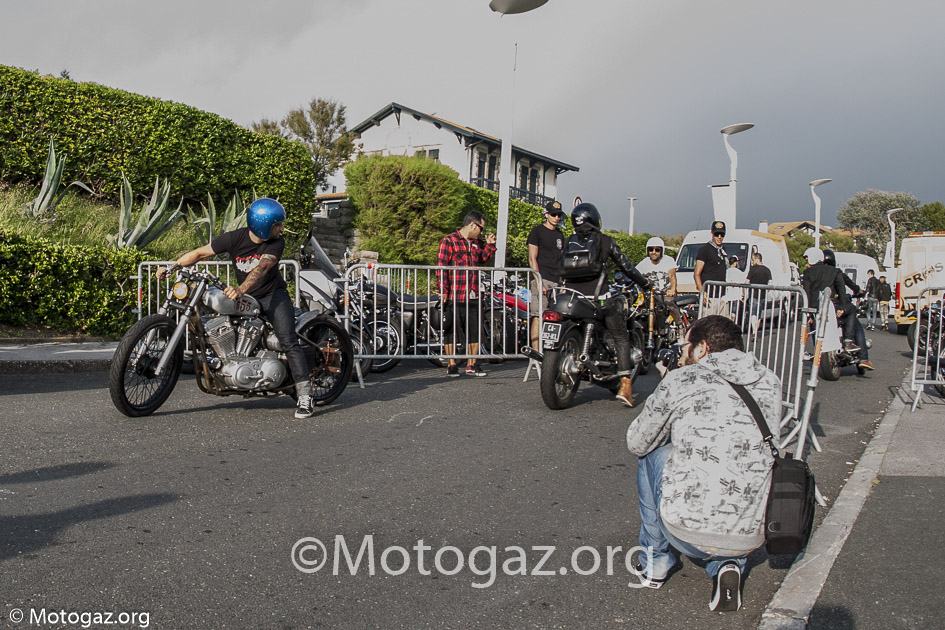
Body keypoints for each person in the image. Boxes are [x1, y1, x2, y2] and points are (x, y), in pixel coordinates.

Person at [626, 315, 781, 612]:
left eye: (686, 346)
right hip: (753, 534)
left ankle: (656, 562)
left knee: (651, 456)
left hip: (686, 532)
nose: (682, 353)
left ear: (702, 348)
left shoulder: (682, 379)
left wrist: (667, 385)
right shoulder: (769, 381)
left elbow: (637, 441)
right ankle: (728, 564)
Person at [157, 198, 315, 419]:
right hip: (247, 297)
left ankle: (305, 396)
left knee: (288, 340)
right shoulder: (234, 238)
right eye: (277, 224)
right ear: (263, 224)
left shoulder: (276, 243)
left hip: (273, 296)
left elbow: (262, 268)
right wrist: (172, 266)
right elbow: (200, 253)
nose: (281, 228)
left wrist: (240, 289)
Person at [561, 202, 650, 407]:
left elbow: (560, 268)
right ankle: (625, 385)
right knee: (620, 335)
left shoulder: (568, 241)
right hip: (598, 298)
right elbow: (626, 266)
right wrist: (645, 283)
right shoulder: (604, 241)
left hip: (573, 299)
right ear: (595, 220)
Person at [436, 210, 497, 377]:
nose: (481, 232)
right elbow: (441, 267)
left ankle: (472, 364)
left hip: (473, 293)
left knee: (475, 330)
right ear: (472, 225)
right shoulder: (449, 240)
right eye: (481, 228)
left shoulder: (475, 243)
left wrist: (490, 246)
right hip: (455, 294)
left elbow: (482, 259)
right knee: (452, 330)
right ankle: (452, 364)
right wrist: (443, 290)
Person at [824, 249, 874, 370]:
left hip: (824, 308)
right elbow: (851, 285)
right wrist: (859, 291)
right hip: (839, 306)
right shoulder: (837, 272)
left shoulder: (817, 273)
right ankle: (863, 358)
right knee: (857, 327)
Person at [527, 200, 566, 351]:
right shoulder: (537, 231)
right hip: (542, 278)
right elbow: (532, 258)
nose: (557, 218)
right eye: (554, 215)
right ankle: (536, 353)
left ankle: (551, 353)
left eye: (559, 215)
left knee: (556, 318)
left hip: (557, 281)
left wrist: (564, 283)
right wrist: (539, 282)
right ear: (547, 214)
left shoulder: (560, 234)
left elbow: (562, 259)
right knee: (538, 315)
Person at [637, 236, 682, 337]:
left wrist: (672, 289)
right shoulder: (644, 263)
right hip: (650, 293)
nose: (654, 252)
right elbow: (635, 274)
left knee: (669, 304)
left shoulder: (668, 261)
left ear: (662, 251)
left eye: (657, 250)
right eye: (651, 249)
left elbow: (672, 276)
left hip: (665, 291)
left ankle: (679, 325)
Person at [694, 221, 729, 316]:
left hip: (722, 296)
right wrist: (702, 292)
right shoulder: (705, 250)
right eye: (717, 234)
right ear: (712, 234)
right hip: (710, 296)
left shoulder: (723, 250)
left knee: (724, 323)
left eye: (722, 234)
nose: (719, 237)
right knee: (709, 323)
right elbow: (697, 273)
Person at [746, 252, 772, 337]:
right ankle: (755, 330)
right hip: (763, 295)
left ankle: (754, 331)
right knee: (759, 314)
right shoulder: (767, 270)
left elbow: (747, 281)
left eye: (753, 260)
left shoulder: (753, 269)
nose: (752, 262)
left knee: (753, 313)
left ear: (757, 259)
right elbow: (770, 283)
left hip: (753, 294)